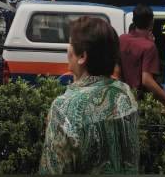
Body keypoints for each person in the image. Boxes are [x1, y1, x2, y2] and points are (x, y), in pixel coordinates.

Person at [39, 17, 139, 174]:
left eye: (70, 43)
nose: (68, 48)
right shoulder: (125, 93)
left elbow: (53, 169)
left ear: (82, 57)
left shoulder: (64, 108)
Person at [118, 5, 165, 119]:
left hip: (121, 102)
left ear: (133, 21)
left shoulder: (121, 39)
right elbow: (147, 80)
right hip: (140, 106)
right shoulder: (149, 46)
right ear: (151, 23)